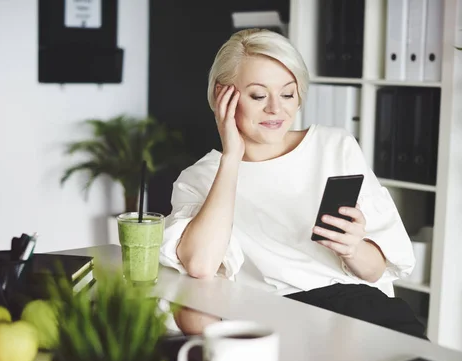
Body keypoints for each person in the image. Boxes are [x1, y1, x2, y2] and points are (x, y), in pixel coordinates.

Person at [159, 28, 427, 340]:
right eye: (259, 96)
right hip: (270, 316)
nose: (276, 109)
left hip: (354, 308)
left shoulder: (334, 146)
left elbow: (376, 271)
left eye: (287, 94)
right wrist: (231, 156)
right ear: (224, 96)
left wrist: (353, 247)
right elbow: (202, 265)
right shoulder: (201, 177)